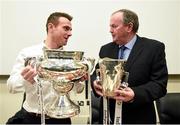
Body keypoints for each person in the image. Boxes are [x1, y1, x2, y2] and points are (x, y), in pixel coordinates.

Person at [91, 9, 168, 124]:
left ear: (129, 27)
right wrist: (95, 83)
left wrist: (134, 94)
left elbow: (159, 85)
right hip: (107, 118)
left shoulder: (154, 48)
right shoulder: (106, 49)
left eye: (114, 26)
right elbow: (96, 74)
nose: (110, 30)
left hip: (138, 118)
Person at [6, 12, 74, 124]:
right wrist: (25, 79)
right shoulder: (27, 53)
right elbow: (11, 86)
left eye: (71, 29)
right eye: (66, 28)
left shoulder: (71, 58)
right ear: (51, 27)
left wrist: (79, 81)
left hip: (61, 120)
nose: (70, 33)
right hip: (31, 119)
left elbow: (78, 90)